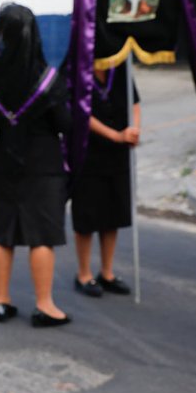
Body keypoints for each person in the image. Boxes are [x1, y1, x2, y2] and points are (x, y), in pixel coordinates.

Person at [0, 5, 72, 325]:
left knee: (3, 231)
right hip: (43, 165)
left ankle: (1, 300)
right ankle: (44, 304)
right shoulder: (48, 79)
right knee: (41, 235)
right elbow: (64, 123)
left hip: (4, 162)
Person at [71, 61, 138, 298]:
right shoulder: (78, 69)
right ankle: (84, 273)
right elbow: (80, 111)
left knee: (113, 214)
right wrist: (115, 136)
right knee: (87, 215)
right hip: (88, 152)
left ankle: (107, 272)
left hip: (117, 155)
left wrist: (133, 130)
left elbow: (134, 101)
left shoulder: (119, 67)